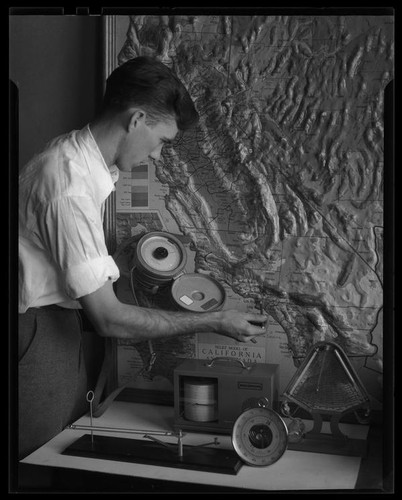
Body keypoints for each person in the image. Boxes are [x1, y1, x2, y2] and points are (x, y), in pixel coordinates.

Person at [18, 56, 267, 459]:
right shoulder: (68, 186)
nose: (156, 155)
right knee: (38, 462)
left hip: (59, 332)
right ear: (136, 120)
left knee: (61, 456)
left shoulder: (76, 165)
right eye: (162, 141)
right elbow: (108, 318)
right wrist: (216, 320)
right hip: (41, 336)